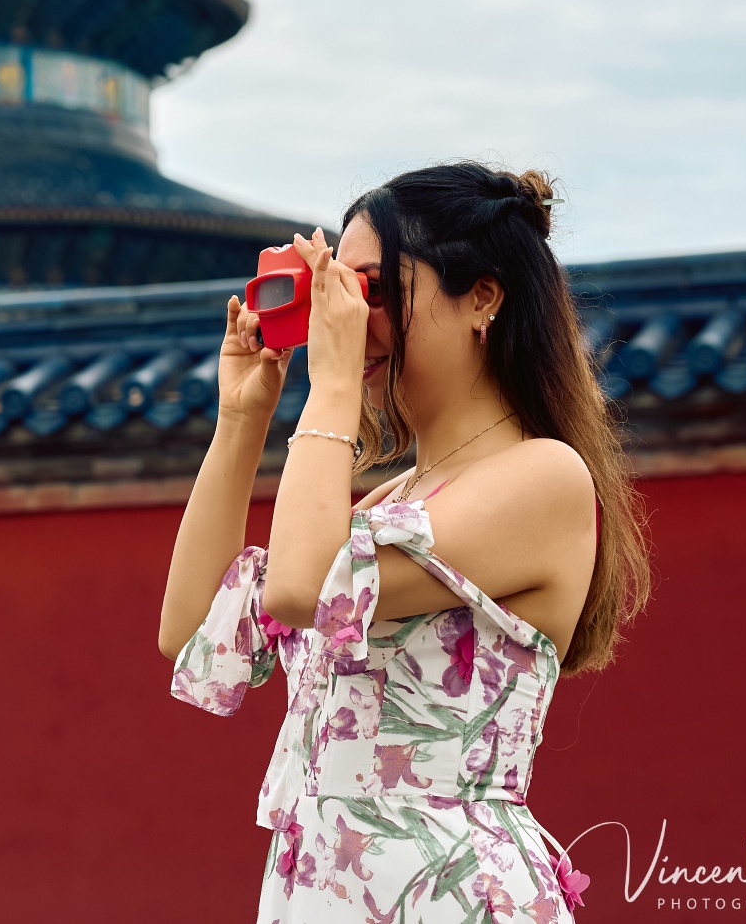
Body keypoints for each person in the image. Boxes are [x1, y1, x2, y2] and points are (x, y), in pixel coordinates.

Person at [158, 163, 648, 922]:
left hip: (446, 888)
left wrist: (329, 385)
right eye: (342, 292)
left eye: (376, 290)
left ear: (482, 295)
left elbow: (300, 588)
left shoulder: (545, 477)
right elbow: (191, 629)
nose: (351, 317)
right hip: (325, 892)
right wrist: (241, 417)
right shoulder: (390, 504)